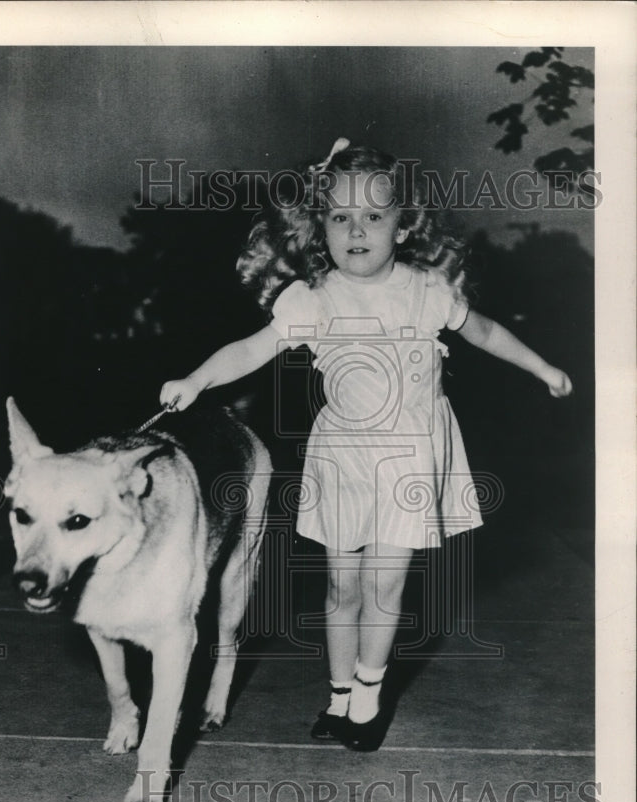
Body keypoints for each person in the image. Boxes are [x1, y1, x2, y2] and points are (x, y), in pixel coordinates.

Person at [160, 139, 572, 751]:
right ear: (319, 227)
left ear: (402, 227)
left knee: (384, 585)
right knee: (341, 587)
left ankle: (369, 701)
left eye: (374, 217)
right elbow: (251, 349)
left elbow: (484, 331)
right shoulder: (313, 299)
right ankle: (338, 697)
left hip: (411, 454)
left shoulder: (426, 290)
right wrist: (195, 380)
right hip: (343, 458)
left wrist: (543, 369)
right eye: (340, 217)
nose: (357, 230)